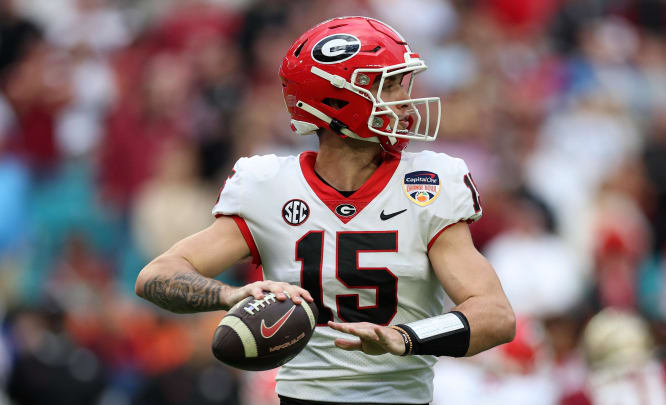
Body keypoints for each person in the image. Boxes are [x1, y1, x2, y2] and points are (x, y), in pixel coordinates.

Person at [135, 16, 515, 405]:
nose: (405, 99)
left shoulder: (427, 181)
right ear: (339, 100)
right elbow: (156, 275)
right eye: (389, 85)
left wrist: (405, 338)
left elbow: (497, 315)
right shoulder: (268, 185)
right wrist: (231, 295)